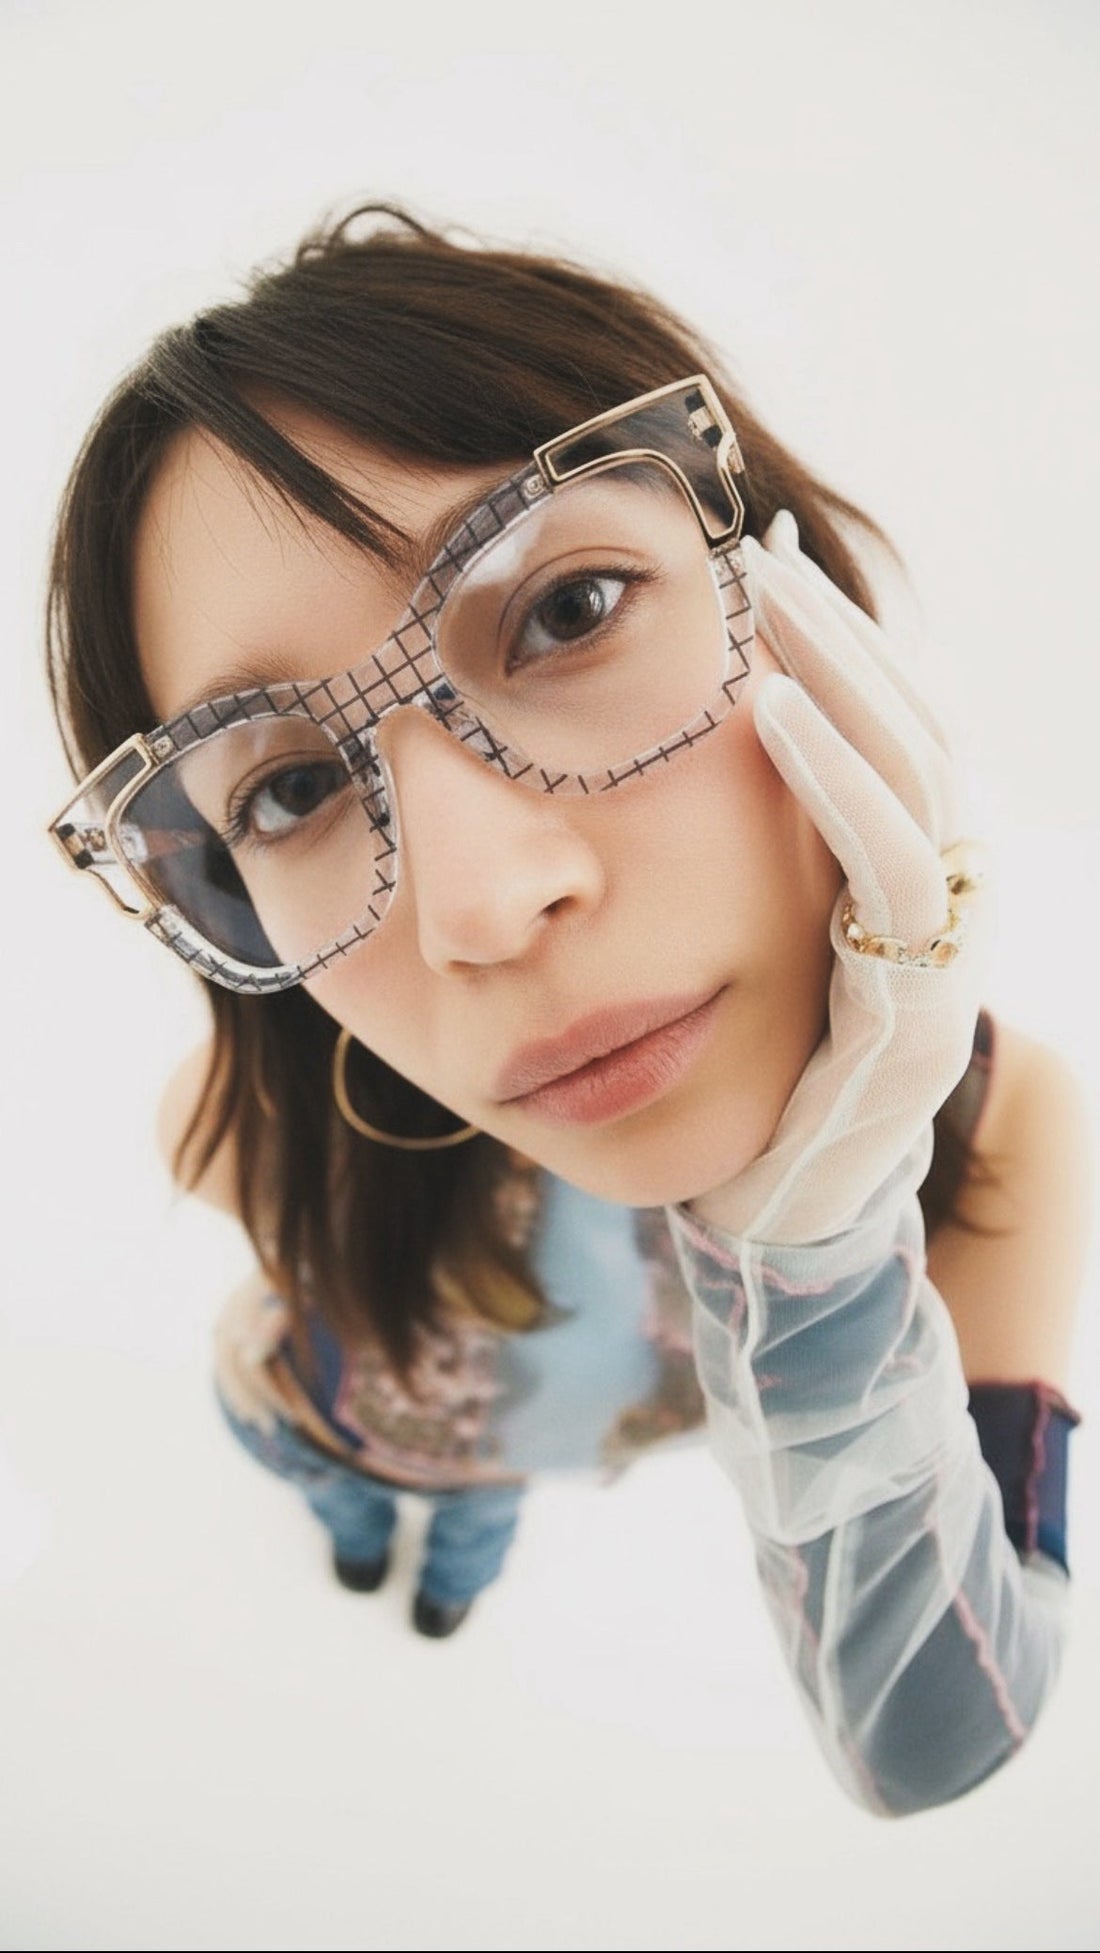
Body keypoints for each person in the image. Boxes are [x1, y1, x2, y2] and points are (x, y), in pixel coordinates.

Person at [46, 204, 1089, 1811]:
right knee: (373, 1487)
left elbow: (936, 1737)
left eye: (569, 608)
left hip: (532, 1452)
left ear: (800, 611)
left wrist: (813, 1246)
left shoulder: (1005, 1128)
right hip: (336, 1417)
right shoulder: (231, 1128)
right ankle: (365, 1533)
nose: (477, 904)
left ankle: (456, 1559)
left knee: (476, 1522)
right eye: (293, 789)